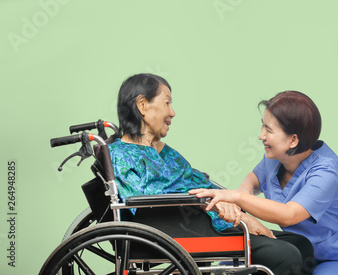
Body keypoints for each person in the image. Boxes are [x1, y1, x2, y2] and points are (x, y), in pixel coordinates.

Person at [108, 73, 314, 275]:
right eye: (167, 103)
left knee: (301, 244)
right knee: (287, 255)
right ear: (142, 105)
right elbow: (149, 203)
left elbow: (195, 180)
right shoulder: (120, 154)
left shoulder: (160, 149)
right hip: (183, 232)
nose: (172, 112)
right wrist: (226, 210)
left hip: (208, 221)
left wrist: (234, 205)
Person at [190, 91, 338, 275]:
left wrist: (236, 197)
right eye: (262, 126)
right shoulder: (276, 158)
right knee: (231, 265)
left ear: (293, 140)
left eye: (268, 130)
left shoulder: (326, 170)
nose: (261, 136)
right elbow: (254, 179)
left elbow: (289, 214)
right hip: (298, 251)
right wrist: (242, 193)